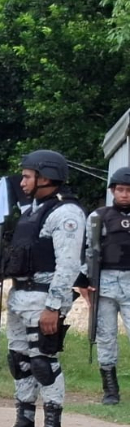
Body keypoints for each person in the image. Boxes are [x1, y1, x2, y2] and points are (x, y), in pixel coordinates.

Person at [0, 149, 85, 427]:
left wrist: (54, 307)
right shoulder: (32, 210)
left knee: (43, 361)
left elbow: (67, 264)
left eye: (28, 175)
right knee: (20, 360)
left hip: (44, 296)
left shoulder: (66, 213)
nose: (23, 180)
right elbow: (25, 251)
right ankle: (24, 426)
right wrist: (0, 271)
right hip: (21, 296)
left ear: (46, 177)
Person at [80, 167, 130, 405]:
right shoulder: (99, 216)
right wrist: (84, 282)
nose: (125, 194)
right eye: (120, 189)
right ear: (112, 191)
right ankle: (110, 391)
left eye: (129, 190)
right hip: (104, 283)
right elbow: (88, 250)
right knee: (106, 337)